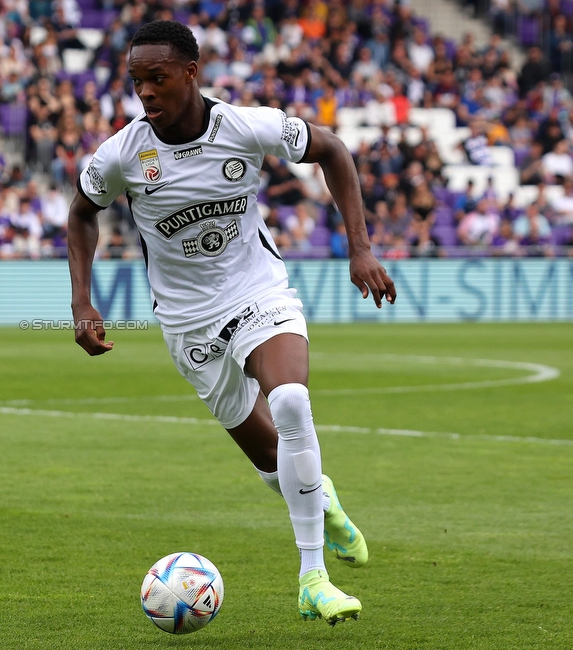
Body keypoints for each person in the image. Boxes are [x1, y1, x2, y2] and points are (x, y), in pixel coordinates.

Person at [67, 21, 396, 625]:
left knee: (292, 401)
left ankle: (312, 577)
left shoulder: (247, 126)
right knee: (273, 461)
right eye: (137, 81)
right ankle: (324, 503)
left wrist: (360, 248)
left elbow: (334, 152)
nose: (145, 92)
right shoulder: (122, 153)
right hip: (188, 323)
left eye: (157, 78)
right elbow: (83, 213)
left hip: (257, 292)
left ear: (191, 73)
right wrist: (81, 301)